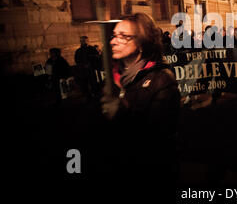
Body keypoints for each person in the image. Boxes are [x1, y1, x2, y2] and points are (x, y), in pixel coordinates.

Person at [100, 13, 181, 184]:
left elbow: (157, 138)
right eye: (114, 35)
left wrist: (122, 113)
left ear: (142, 43)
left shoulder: (162, 79)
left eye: (123, 36)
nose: (113, 41)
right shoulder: (113, 79)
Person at [74, 36, 101, 102]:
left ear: (88, 41)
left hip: (91, 69)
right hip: (83, 71)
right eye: (82, 41)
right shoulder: (78, 51)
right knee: (85, 84)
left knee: (93, 83)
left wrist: (91, 63)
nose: (84, 42)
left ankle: (96, 95)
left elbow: (97, 58)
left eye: (85, 40)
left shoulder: (92, 49)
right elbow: (77, 60)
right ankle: (88, 96)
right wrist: (82, 65)